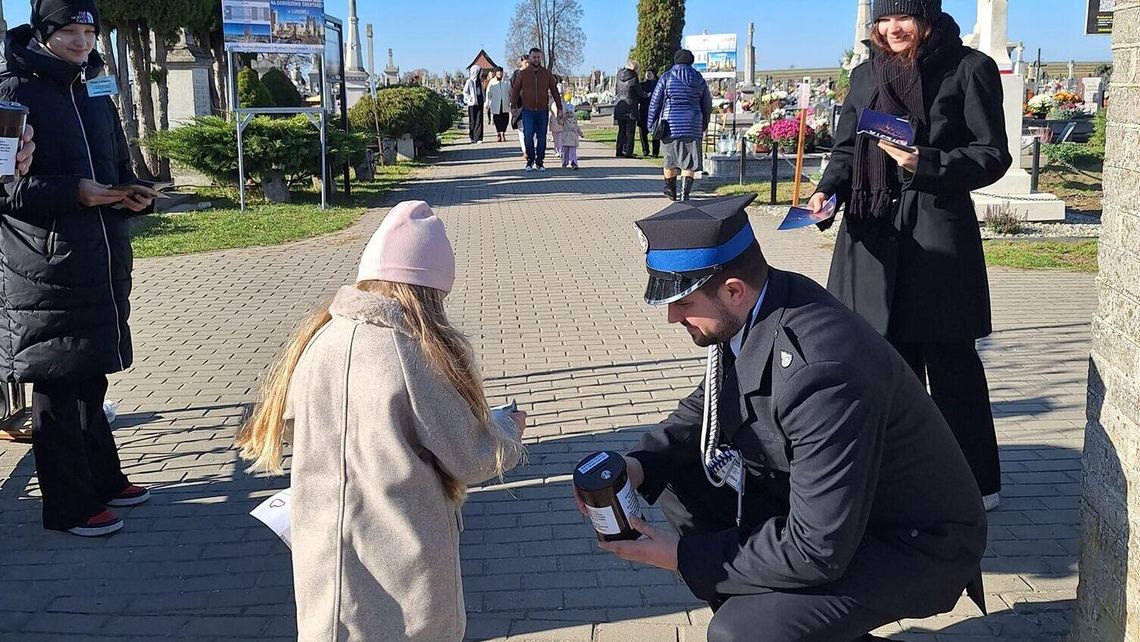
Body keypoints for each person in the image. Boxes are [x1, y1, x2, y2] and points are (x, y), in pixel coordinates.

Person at [583, 195, 987, 642]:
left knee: (742, 632)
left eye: (681, 301)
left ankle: (774, 617)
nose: (671, 317)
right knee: (679, 468)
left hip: (911, 542)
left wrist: (681, 555)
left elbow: (818, 548)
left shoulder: (821, 370)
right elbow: (705, 410)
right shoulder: (759, 305)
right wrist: (635, 467)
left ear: (733, 289)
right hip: (841, 513)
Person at [236, 200, 527, 642]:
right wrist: (508, 427)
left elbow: (294, 422)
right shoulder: (412, 355)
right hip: (398, 566)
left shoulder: (320, 340)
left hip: (324, 561)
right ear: (430, 292)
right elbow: (472, 456)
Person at [808, 0, 1010, 510]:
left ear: (926, 18)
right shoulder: (863, 76)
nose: (893, 27)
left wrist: (931, 162)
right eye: (884, 18)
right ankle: (897, 482)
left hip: (935, 235)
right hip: (872, 236)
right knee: (882, 366)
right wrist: (828, 192)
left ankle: (975, 484)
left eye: (904, 16)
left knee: (951, 365)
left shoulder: (969, 69)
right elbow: (847, 151)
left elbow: (992, 154)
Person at [0, 0, 155, 537]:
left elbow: (117, 163)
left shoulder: (94, 86)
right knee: (57, 380)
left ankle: (104, 480)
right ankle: (67, 505)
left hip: (100, 251)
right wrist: (74, 192)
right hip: (44, 258)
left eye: (89, 30)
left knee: (89, 374)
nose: (82, 41)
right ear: (44, 32)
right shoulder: (13, 91)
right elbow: (4, 186)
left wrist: (133, 192)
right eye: (69, 29)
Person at [647, 49, 712, 201]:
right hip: (692, 125)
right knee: (689, 163)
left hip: (670, 126)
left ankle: (670, 190)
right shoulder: (698, 78)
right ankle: (684, 195)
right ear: (691, 61)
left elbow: (655, 103)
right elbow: (707, 103)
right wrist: (704, 123)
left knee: (670, 161)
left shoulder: (667, 77)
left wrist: (651, 125)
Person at [510, 47, 563, 172]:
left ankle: (540, 162)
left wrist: (559, 108)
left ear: (541, 58)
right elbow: (515, 90)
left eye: (538, 57)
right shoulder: (523, 74)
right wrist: (513, 107)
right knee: (528, 136)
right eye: (534, 57)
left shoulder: (547, 74)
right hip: (527, 110)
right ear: (529, 58)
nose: (536, 59)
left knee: (542, 137)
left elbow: (555, 91)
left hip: (542, 111)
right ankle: (530, 161)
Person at [614, 59, 646, 158]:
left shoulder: (619, 76)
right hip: (631, 106)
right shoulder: (633, 77)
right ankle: (628, 152)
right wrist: (648, 94)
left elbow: (617, 91)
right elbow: (639, 93)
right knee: (630, 131)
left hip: (620, 106)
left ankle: (619, 151)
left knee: (621, 130)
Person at [638, 69, 660, 157]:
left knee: (655, 132)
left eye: (650, 73)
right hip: (643, 110)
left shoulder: (658, 84)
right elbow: (639, 95)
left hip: (654, 111)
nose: (648, 74)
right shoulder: (641, 85)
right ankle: (645, 150)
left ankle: (655, 152)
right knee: (642, 132)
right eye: (647, 73)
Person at [510, 55, 528, 160]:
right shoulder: (516, 74)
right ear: (521, 63)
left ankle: (532, 149)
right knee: (521, 129)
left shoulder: (534, 73)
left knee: (532, 129)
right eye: (525, 62)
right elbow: (512, 90)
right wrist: (513, 105)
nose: (527, 65)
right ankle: (525, 150)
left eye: (528, 63)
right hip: (520, 105)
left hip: (532, 105)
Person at [486, 68, 511, 142]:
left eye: (501, 72)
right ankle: (498, 134)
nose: (499, 73)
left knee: (505, 119)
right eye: (498, 72)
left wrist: (511, 101)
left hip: (505, 103)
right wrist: (487, 102)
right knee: (497, 120)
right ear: (495, 73)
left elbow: (510, 92)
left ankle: (503, 133)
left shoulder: (506, 81)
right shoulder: (492, 82)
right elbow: (488, 93)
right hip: (496, 103)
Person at [462, 65, 485, 144]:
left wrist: (484, 99)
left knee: (479, 120)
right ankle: (472, 137)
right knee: (472, 121)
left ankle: (479, 137)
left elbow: (482, 91)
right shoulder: (469, 81)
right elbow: (465, 91)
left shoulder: (480, 82)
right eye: (480, 72)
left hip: (480, 103)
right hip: (472, 104)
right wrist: (470, 98)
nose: (481, 73)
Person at [558, 103, 582, 170]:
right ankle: (564, 162)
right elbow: (560, 122)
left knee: (573, 152)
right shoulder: (564, 120)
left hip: (573, 137)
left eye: (571, 113)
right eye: (568, 113)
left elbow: (577, 127)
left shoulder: (574, 120)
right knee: (565, 151)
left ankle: (574, 163)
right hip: (566, 137)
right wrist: (560, 117)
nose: (569, 114)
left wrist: (581, 133)